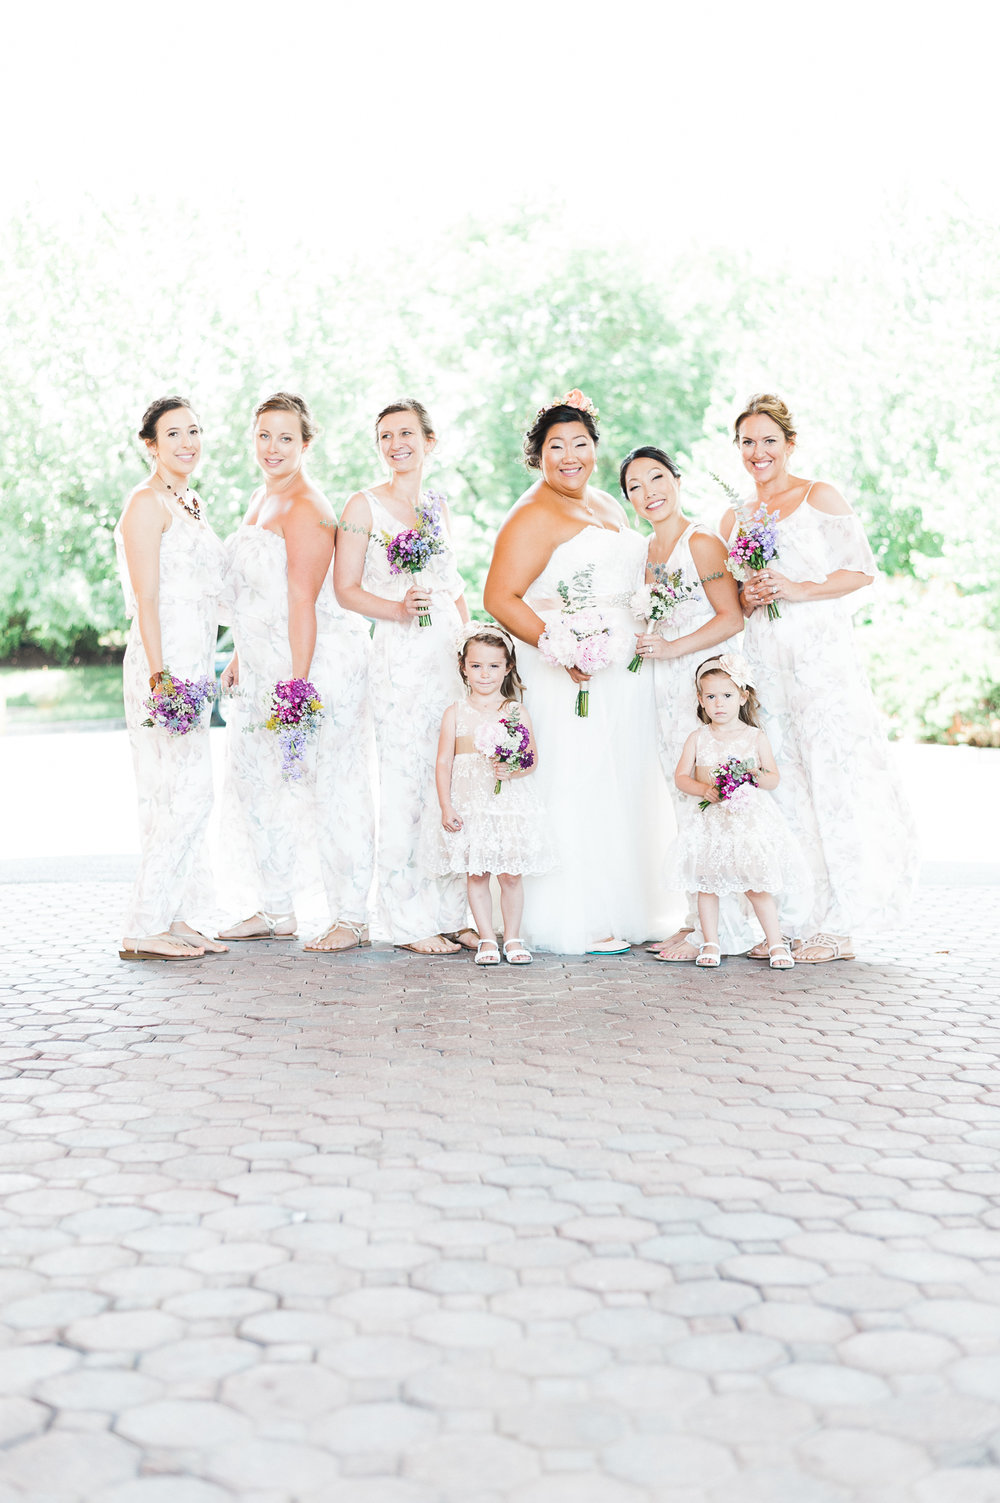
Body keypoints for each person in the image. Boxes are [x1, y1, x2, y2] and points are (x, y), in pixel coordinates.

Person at [721, 393, 918, 961]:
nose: (758, 452)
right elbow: (734, 594)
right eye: (747, 442)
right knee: (784, 785)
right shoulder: (736, 516)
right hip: (766, 663)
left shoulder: (816, 496)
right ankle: (796, 919)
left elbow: (860, 569)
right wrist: (749, 592)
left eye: (768, 441)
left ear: (789, 444)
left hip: (820, 662)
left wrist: (801, 588)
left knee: (834, 779)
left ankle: (841, 923)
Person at [483, 390, 675, 954]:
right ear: (537, 454)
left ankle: (620, 902)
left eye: (581, 444)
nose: (570, 456)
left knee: (619, 785)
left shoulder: (607, 506)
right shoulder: (533, 513)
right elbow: (500, 596)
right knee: (577, 783)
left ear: (595, 448)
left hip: (623, 672)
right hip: (572, 674)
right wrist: (559, 647)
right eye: (556, 446)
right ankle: (574, 914)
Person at [218, 392, 375, 950]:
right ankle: (276, 908)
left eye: (286, 437)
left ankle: (352, 915)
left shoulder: (307, 505)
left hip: (308, 666)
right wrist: (240, 655)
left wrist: (298, 687)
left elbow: (302, 600)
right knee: (258, 786)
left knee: (329, 787)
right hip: (262, 664)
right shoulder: (261, 498)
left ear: (307, 444)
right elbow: (252, 597)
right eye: (264, 435)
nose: (273, 448)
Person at [334, 399, 475, 954]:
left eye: (406, 433)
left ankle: (450, 909)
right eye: (385, 436)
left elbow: (453, 580)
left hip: (445, 654)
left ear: (430, 440)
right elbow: (345, 588)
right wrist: (395, 608)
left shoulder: (437, 505)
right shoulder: (362, 506)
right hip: (400, 658)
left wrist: (470, 649)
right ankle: (408, 918)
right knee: (407, 781)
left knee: (450, 776)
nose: (396, 444)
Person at [621, 445, 748, 962]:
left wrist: (672, 648)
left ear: (676, 479)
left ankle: (725, 929)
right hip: (661, 687)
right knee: (686, 798)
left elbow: (731, 617)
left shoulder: (701, 544)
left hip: (701, 684)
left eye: (656, 478)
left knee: (714, 801)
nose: (648, 492)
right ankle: (699, 917)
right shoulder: (645, 550)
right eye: (634, 486)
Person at [115, 396, 226, 960]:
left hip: (194, 664)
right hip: (165, 669)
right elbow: (147, 597)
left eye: (194, 431)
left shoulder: (190, 502)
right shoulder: (145, 504)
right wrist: (161, 676)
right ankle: (143, 925)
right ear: (151, 445)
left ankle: (173, 914)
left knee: (178, 794)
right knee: (186, 794)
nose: (188, 443)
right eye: (174, 434)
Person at [434, 622, 554, 966]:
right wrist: (446, 806)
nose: (484, 674)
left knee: (510, 873)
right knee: (477, 872)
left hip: (507, 804)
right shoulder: (454, 713)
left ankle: (512, 937)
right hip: (469, 802)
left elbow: (531, 760)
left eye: (493, 666)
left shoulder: (514, 711)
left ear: (507, 668)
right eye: (476, 666)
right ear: (463, 668)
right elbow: (444, 761)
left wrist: (512, 770)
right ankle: (487, 938)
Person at [672, 655, 801, 968]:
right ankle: (710, 942)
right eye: (711, 697)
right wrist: (704, 790)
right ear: (701, 700)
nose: (719, 704)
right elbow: (681, 777)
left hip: (747, 822)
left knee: (756, 884)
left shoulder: (754, 737)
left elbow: (773, 778)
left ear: (743, 697)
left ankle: (775, 943)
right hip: (712, 822)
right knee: (707, 883)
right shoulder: (698, 738)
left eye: (727, 696)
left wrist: (755, 774)